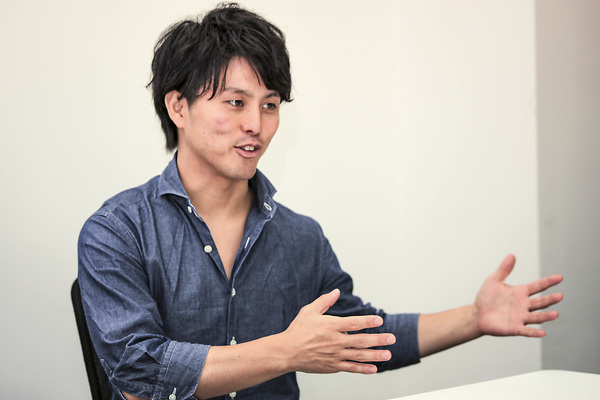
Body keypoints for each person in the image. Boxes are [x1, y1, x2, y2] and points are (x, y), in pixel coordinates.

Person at [77, 4, 564, 400]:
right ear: (178, 106)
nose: (256, 125)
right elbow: (140, 374)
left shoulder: (299, 237)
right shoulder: (118, 231)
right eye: (235, 102)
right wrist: (286, 351)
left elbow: (361, 336)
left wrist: (474, 318)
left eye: (270, 105)